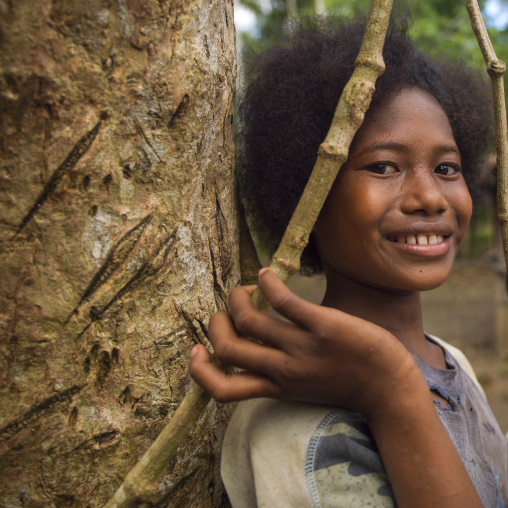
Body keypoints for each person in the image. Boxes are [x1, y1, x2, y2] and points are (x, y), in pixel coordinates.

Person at [189, 12, 508, 508]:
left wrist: (393, 383)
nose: (429, 196)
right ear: (306, 195)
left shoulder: (454, 362)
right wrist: (393, 391)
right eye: (383, 166)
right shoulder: (294, 426)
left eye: (447, 168)